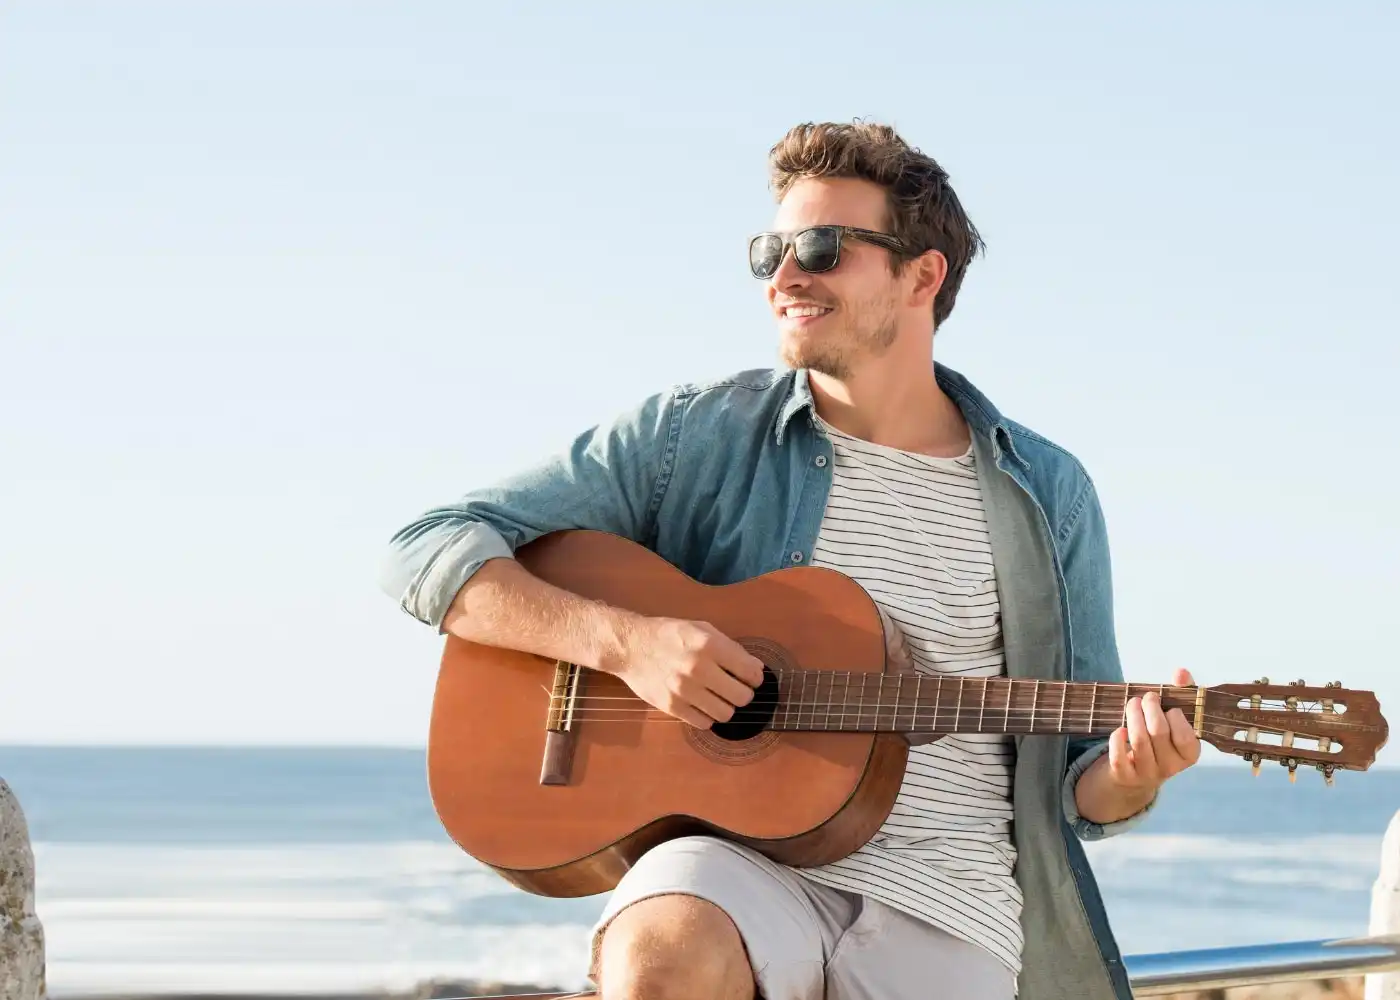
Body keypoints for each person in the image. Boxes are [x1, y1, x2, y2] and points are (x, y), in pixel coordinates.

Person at [379, 120, 1201, 1000]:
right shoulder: (691, 435)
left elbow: (1081, 780)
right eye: (769, 250)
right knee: (660, 959)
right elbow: (426, 549)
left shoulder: (1047, 492)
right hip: (736, 864)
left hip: (951, 902)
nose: (784, 277)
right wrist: (627, 647)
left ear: (923, 274)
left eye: (820, 248)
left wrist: (1131, 774)